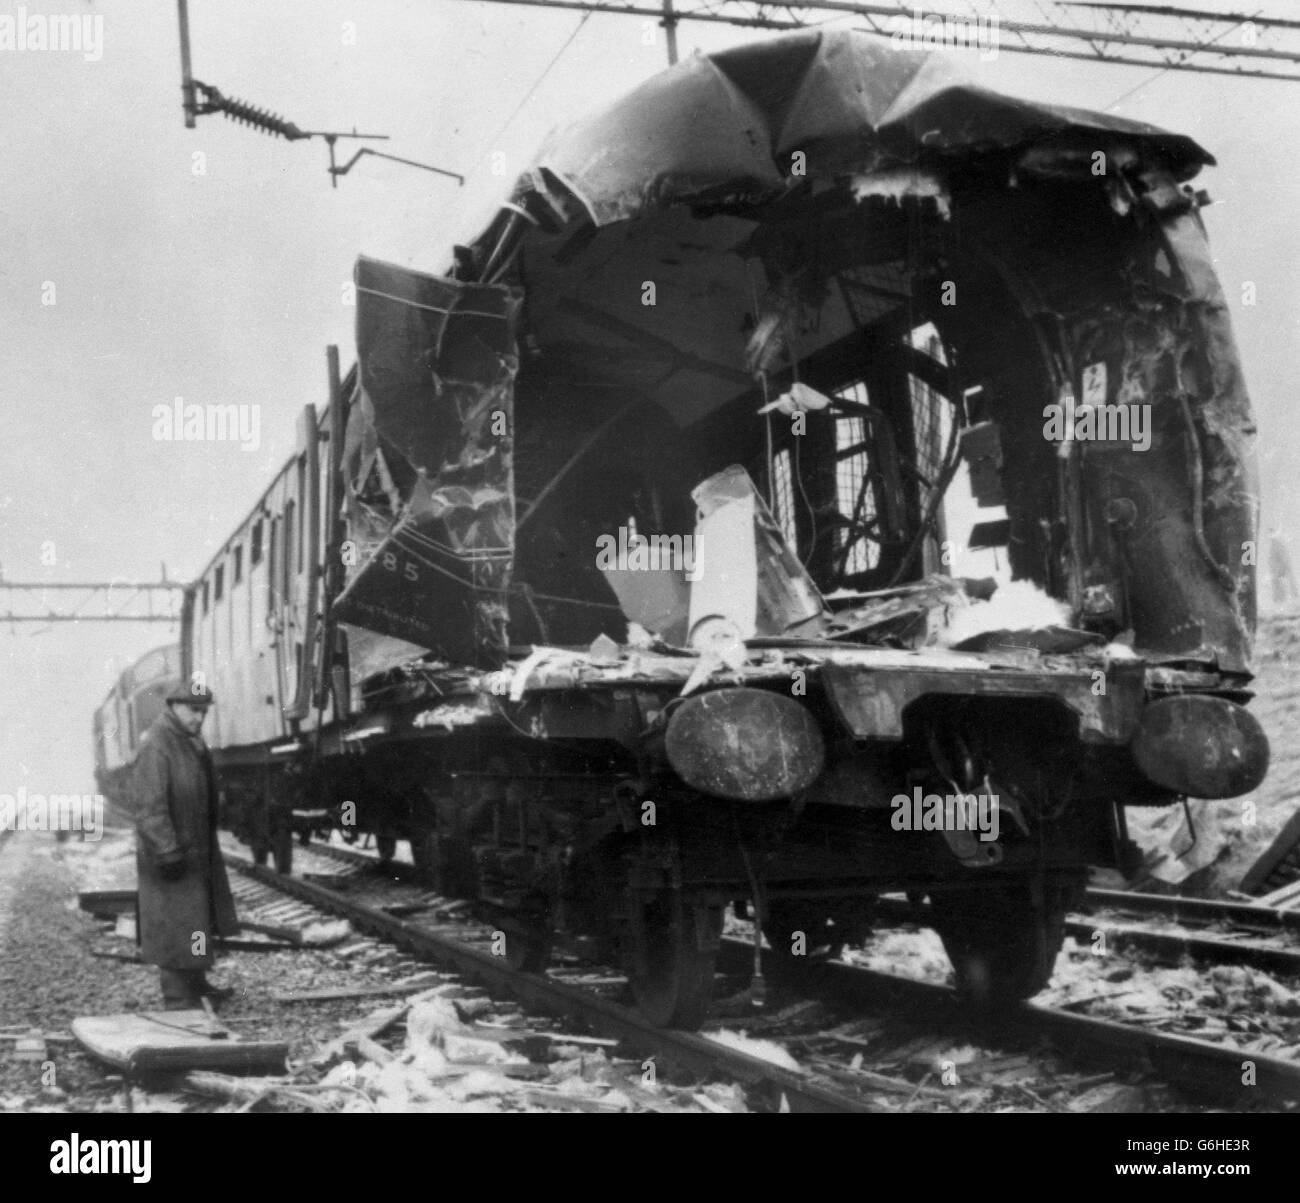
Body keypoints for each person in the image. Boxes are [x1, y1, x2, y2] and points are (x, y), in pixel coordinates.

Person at [132, 675, 239, 1010]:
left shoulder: (188, 739)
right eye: (193, 710)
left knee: (196, 923)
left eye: (203, 712)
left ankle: (197, 984)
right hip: (171, 854)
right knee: (174, 928)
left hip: (194, 849)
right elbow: (149, 806)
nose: (199, 717)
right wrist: (166, 849)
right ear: (174, 706)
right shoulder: (158, 743)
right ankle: (178, 998)